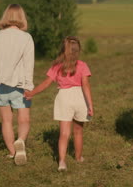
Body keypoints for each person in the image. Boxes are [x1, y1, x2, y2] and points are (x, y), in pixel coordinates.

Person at [24, 36, 93, 172]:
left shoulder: (57, 66)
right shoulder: (82, 65)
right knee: (78, 131)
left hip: (64, 98)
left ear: (63, 50)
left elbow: (46, 84)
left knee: (64, 133)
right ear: (78, 51)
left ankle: (62, 162)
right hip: (80, 98)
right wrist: (90, 105)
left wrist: (31, 93)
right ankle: (79, 158)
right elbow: (85, 85)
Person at [0, 4, 35, 165]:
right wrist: (29, 86)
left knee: (6, 120)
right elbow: (29, 65)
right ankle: (20, 140)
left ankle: (12, 153)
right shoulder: (26, 38)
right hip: (20, 85)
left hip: (0, 84)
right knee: (24, 119)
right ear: (22, 17)